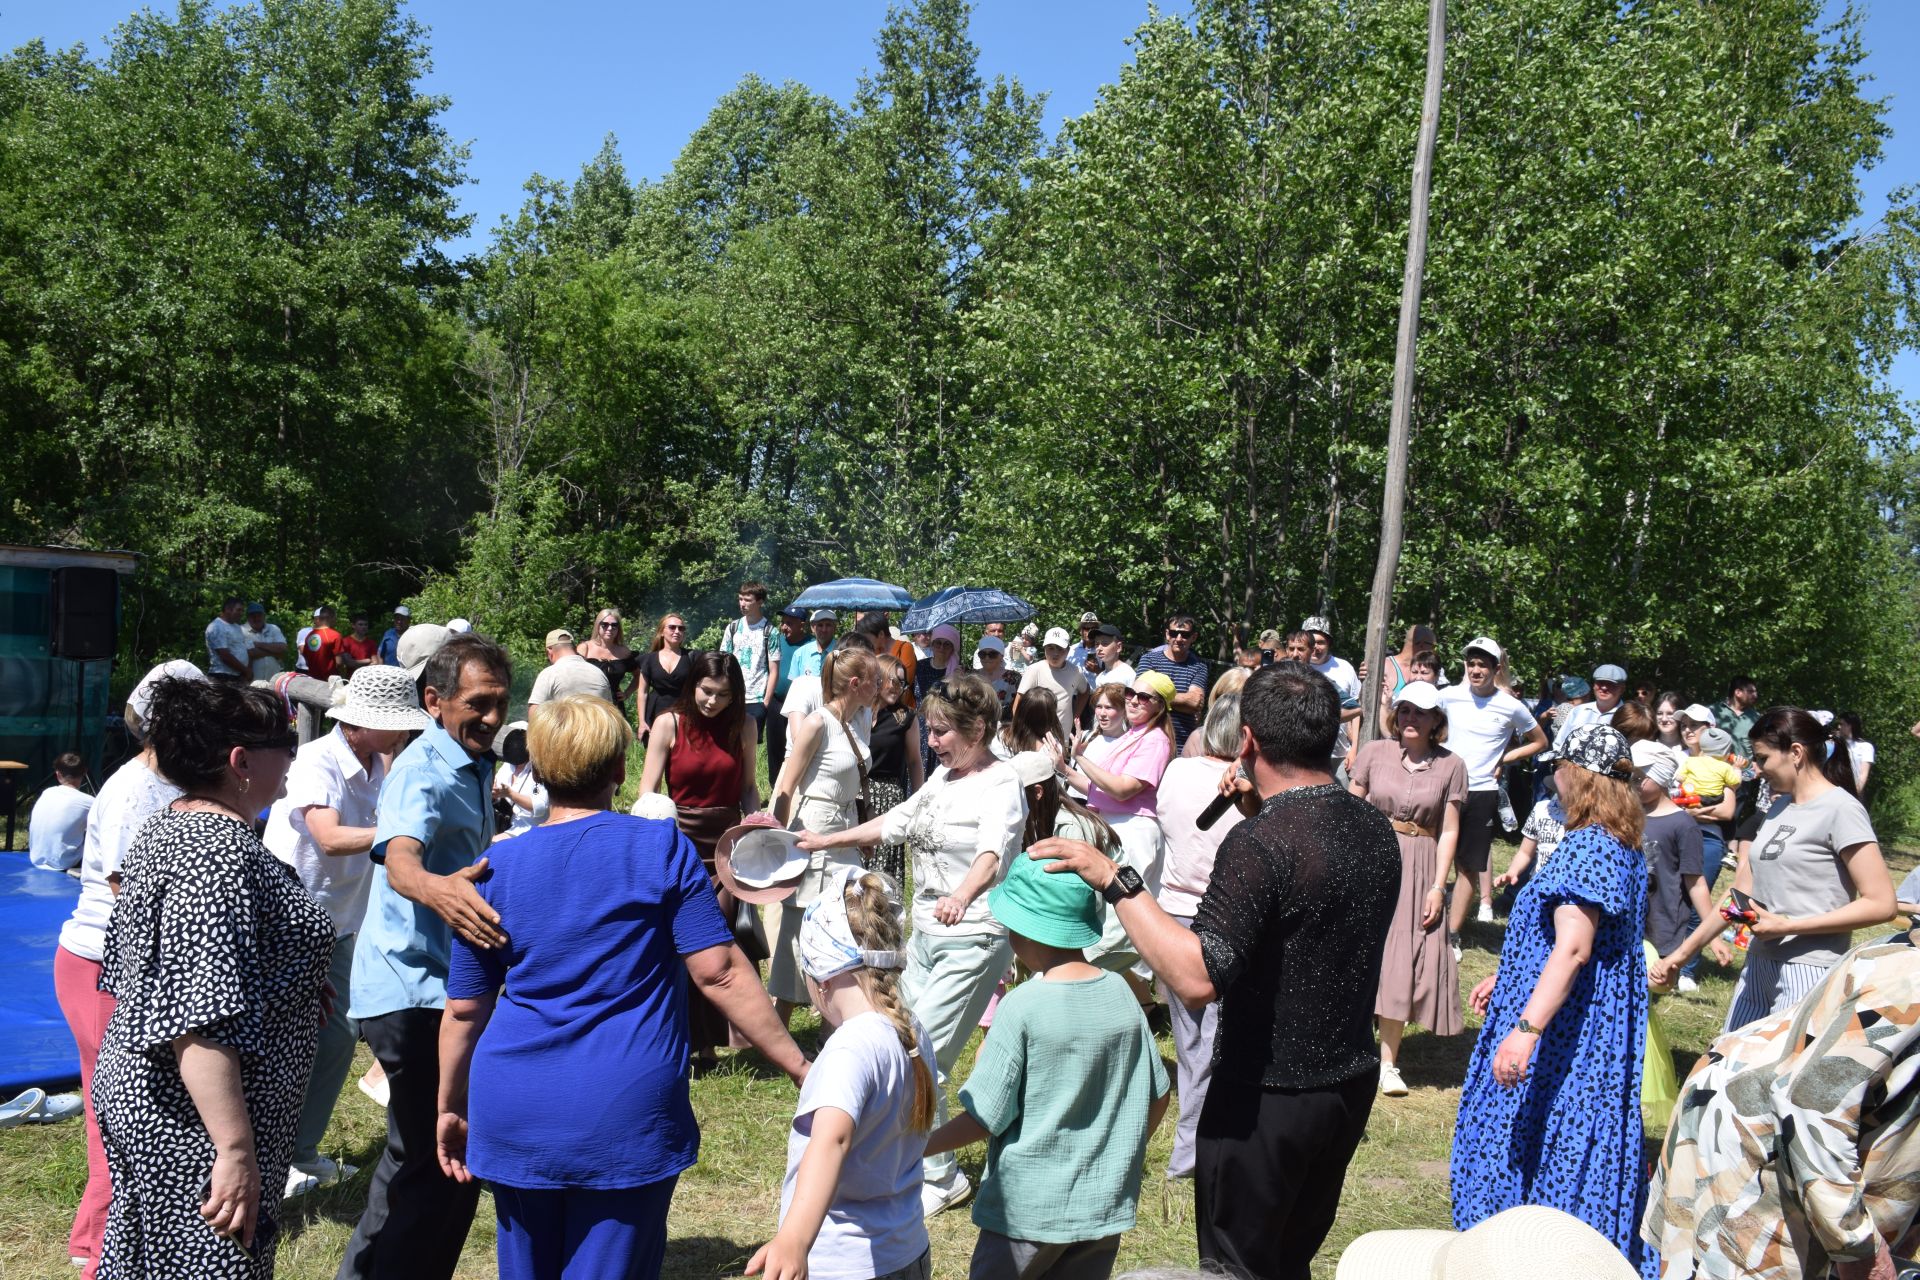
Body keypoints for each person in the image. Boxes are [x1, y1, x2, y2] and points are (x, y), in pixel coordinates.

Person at [1035, 661, 1400, 1280]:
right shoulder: (1374, 827)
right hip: (1347, 1085)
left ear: (1249, 739)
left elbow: (1198, 977)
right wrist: (1257, 805)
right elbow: (1307, 902)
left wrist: (1116, 879)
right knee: (1290, 1258)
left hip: (1266, 1099)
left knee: (1236, 1268)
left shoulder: (1260, 843)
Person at [436, 694, 810, 1280]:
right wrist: (798, 1066)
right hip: (622, 1110)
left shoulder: (492, 869)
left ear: (535, 772)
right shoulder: (661, 849)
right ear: (617, 771)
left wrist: (450, 1105)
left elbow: (463, 1010)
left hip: (512, 1106)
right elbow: (720, 971)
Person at [91, 675, 328, 1278]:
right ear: (241, 761)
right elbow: (198, 1020)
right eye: (288, 746)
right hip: (191, 1117)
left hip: (165, 1098)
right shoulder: (212, 851)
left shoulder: (175, 824)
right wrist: (235, 1149)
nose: (295, 758)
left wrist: (294, 982)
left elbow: (165, 969)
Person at [797, 675, 1026, 1217]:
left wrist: (963, 895)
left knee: (924, 1056)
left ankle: (939, 1177)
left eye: (945, 733)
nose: (934, 743)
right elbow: (895, 824)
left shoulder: (1000, 782)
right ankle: (908, 1157)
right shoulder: (944, 779)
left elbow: (994, 851)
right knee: (903, 1042)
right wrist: (824, 840)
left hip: (975, 933)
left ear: (980, 732)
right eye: (933, 732)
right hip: (924, 932)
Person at [338, 632, 512, 1280]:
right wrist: (442, 891)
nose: (492, 717)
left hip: (438, 987)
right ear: (435, 700)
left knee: (428, 1162)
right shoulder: (423, 769)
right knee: (438, 1164)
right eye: (479, 703)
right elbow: (402, 858)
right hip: (412, 995)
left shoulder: (472, 761)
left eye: (501, 702)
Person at [1450, 724, 1653, 1276]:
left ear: (1578, 775)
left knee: (1542, 1134)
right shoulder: (1624, 844)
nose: (1552, 776)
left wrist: (1526, 1029)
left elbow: (1573, 950)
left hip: (1568, 1034)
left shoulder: (1589, 846)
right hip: (1587, 1018)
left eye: (1558, 766)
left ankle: (1530, 1256)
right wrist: (1511, 977)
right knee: (1568, 1134)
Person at [923, 851, 1169, 1280]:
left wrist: (917, 1147)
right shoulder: (1122, 994)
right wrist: (1119, 1153)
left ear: (1021, 930)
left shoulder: (1022, 1006)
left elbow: (985, 1118)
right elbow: (1159, 1095)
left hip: (1026, 1213)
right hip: (1102, 1206)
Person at [1644, 930, 1920, 1280]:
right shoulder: (1910, 980)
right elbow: (1812, 1105)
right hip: (1763, 1148)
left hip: (1817, 1153)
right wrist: (1858, 1248)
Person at [53, 662, 202, 1280]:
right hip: (103, 968)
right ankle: (105, 1253)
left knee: (111, 1119)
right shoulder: (139, 791)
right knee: (130, 1123)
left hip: (106, 965)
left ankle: (94, 1244)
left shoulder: (162, 781)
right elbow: (130, 893)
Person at [265, 665, 426, 1197]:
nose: (405, 731)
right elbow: (329, 838)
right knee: (295, 1040)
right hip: (290, 920)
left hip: (336, 921)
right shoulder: (318, 760)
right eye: (396, 723)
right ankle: (278, 1158)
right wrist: (401, 832)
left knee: (334, 1035)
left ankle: (299, 1154)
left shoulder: (379, 758)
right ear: (358, 723)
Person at [1651, 708, 1892, 1031]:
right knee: (1726, 1067)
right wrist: (1680, 955)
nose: (1758, 769)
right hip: (1758, 963)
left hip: (1809, 969)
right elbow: (1739, 896)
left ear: (1795, 752)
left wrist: (1790, 925)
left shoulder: (1842, 809)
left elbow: (1881, 903)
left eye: (1763, 758)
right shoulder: (1779, 807)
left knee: (1777, 1078)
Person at [747, 867, 933, 1280]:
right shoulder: (911, 1029)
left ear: (822, 981)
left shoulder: (850, 1048)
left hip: (846, 1264)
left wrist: (794, 1239)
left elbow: (833, 1138)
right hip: (907, 1250)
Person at [638, 650, 762, 1065]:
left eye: (723, 695)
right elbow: (648, 793)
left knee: (723, 937)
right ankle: (686, 1040)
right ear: (692, 686)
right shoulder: (668, 722)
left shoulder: (744, 725)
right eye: (706, 691)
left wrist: (760, 823)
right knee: (683, 941)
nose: (712, 702)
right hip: (680, 843)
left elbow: (748, 787)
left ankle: (719, 1037)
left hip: (728, 844)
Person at [1349, 680, 1466, 1098]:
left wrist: (1439, 886)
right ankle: (1348, 1045)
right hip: (1372, 855)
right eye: (1405, 710)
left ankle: (1387, 1062)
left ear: (1437, 719)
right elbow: (1351, 805)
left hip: (1419, 863)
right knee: (1360, 951)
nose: (1410, 718)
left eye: (1420, 711)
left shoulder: (1452, 765)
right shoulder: (1374, 752)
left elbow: (1450, 830)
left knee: (1402, 957)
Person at [1151, 692, 1245, 1179]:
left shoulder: (1176, 772)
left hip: (1171, 912)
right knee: (1211, 1039)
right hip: (1218, 916)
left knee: (1191, 1040)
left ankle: (1195, 1143)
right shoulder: (1243, 788)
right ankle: (1193, 1150)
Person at [770, 648, 877, 1027]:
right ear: (854, 684)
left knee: (846, 926)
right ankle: (778, 1027)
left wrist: (861, 828)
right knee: (799, 932)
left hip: (843, 833)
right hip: (814, 830)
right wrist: (774, 845)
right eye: (873, 680)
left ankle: (832, 1025)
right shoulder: (817, 722)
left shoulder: (855, 720)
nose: (879, 686)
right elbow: (787, 783)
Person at [1050, 671, 1176, 991]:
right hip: (1114, 828)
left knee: (1124, 918)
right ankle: (1128, 995)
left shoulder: (1156, 741)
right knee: (1112, 914)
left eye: (1144, 697)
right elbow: (1098, 788)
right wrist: (1064, 768)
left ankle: (1086, 983)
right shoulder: (1135, 735)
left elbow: (1122, 790)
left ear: (1160, 706)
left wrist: (1080, 758)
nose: (1134, 699)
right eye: (1132, 693)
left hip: (1135, 832)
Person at [1439, 636, 1548, 941]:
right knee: (1430, 857)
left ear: (1496, 668)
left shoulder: (1511, 706)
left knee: (1468, 866)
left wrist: (1506, 757)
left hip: (1482, 790)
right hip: (1444, 788)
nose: (1476, 670)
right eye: (1471, 663)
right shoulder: (1447, 696)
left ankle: (1452, 934)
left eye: (1482, 665)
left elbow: (1540, 742)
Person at [1631, 740, 1725, 996]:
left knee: (1654, 986)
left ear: (1661, 777)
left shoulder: (1682, 824)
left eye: (1641, 776)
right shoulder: (1627, 815)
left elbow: (1696, 883)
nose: (1633, 782)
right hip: (1628, 915)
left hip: (1662, 919)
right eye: (1631, 775)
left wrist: (1713, 935)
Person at [868, 653, 925, 884]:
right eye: (893, 680)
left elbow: (914, 761)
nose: (897, 687)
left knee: (883, 866)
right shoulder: (859, 712)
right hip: (857, 794)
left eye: (902, 683)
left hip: (889, 795)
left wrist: (920, 801)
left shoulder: (905, 717)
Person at [1675, 710, 1741, 890]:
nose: (1688, 730)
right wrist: (1691, 813)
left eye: (1694, 725)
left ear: (1711, 729)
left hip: (1709, 837)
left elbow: (1726, 811)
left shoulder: (1724, 766)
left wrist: (1692, 812)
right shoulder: (1675, 757)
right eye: (1683, 726)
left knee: (1697, 899)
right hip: (1675, 835)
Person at [1135, 614, 1209, 751]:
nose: (1179, 638)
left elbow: (1195, 702)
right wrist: (1183, 701)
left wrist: (1156, 697)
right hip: (1147, 740)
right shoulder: (1149, 660)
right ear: (1167, 634)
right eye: (1174, 633)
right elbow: (1141, 696)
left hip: (1182, 744)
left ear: (1194, 637)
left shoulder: (1199, 666)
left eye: (1185, 635)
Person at [1301, 615, 1363, 770]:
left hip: (1340, 755)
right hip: (1302, 755)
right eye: (1311, 642)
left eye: (1321, 642)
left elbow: (1356, 710)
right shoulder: (1295, 667)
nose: (1316, 647)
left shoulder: (1344, 668)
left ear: (1328, 643)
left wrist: (1354, 749)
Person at [1014, 626, 1090, 746]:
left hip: (1062, 738)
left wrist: (1076, 715)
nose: (1055, 654)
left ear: (1068, 650)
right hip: (1035, 739)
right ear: (1044, 648)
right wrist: (1019, 731)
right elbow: (1018, 704)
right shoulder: (1034, 670)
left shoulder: (1075, 671)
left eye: (1060, 649)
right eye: (1050, 648)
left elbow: (1085, 691)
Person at [722, 582, 776, 737]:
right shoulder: (732, 628)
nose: (742, 604)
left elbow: (774, 671)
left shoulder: (770, 631)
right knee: (727, 741)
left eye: (747, 600)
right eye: (740, 599)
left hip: (756, 700)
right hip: (731, 697)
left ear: (760, 602)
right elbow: (723, 662)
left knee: (748, 747)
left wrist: (765, 703)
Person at [767, 604, 811, 786]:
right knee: (775, 747)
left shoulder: (811, 644)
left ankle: (796, 785)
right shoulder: (776, 641)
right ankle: (774, 787)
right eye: (783, 622)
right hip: (777, 702)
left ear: (802, 624)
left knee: (798, 745)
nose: (784, 627)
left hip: (802, 706)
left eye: (789, 623)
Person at [29, 751, 92, 873]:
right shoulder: (89, 802)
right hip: (65, 863)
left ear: (57, 774)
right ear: (84, 772)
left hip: (36, 859)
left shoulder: (46, 793)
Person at [635, 612, 693, 739]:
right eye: (672, 627)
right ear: (661, 632)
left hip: (684, 712)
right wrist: (642, 722)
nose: (677, 631)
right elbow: (642, 692)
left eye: (681, 628)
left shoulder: (693, 657)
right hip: (655, 711)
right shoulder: (648, 659)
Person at [527, 627, 613, 707]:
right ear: (574, 649)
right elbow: (611, 711)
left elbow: (534, 713)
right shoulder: (598, 673)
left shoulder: (549, 674)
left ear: (549, 651)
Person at [491, 723, 547, 839]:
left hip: (527, 828)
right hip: (503, 823)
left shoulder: (540, 770)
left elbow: (540, 807)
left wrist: (510, 794)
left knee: (490, 845)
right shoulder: (507, 764)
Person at [577, 607, 641, 708]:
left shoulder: (623, 652)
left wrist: (627, 693)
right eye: (605, 624)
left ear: (618, 628)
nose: (610, 628)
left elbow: (639, 675)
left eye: (614, 625)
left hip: (615, 706)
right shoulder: (585, 648)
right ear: (598, 625)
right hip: (589, 706)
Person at [1711, 676, 1760, 761]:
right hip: (1716, 769)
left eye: (1755, 692)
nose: (1755, 695)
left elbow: (1760, 746)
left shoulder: (1756, 717)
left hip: (1746, 771)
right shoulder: (1713, 712)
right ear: (1738, 692)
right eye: (1751, 692)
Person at [204, 595, 253, 681]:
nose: (241, 613)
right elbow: (225, 655)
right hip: (222, 676)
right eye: (238, 610)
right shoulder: (217, 626)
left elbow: (246, 650)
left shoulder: (237, 627)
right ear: (228, 609)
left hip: (238, 676)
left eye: (242, 610)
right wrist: (246, 671)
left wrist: (246, 672)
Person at [244, 602, 290, 681]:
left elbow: (283, 648)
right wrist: (274, 651)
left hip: (274, 680)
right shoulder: (241, 630)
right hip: (252, 681)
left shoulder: (273, 628)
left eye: (259, 615)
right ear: (248, 617)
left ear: (264, 616)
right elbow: (249, 653)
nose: (256, 618)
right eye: (253, 616)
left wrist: (259, 645)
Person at [301, 605, 345, 681]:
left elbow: (305, 656)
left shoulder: (310, 635)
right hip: (330, 680)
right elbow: (339, 662)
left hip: (312, 679)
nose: (335, 621)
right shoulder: (335, 635)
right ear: (330, 618)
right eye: (335, 618)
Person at [1834, 711, 1874, 793]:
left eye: (1842, 724)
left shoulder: (1865, 747)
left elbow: (1863, 774)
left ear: (1850, 726)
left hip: (1854, 791)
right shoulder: (1835, 745)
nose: (1839, 727)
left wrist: (1856, 792)